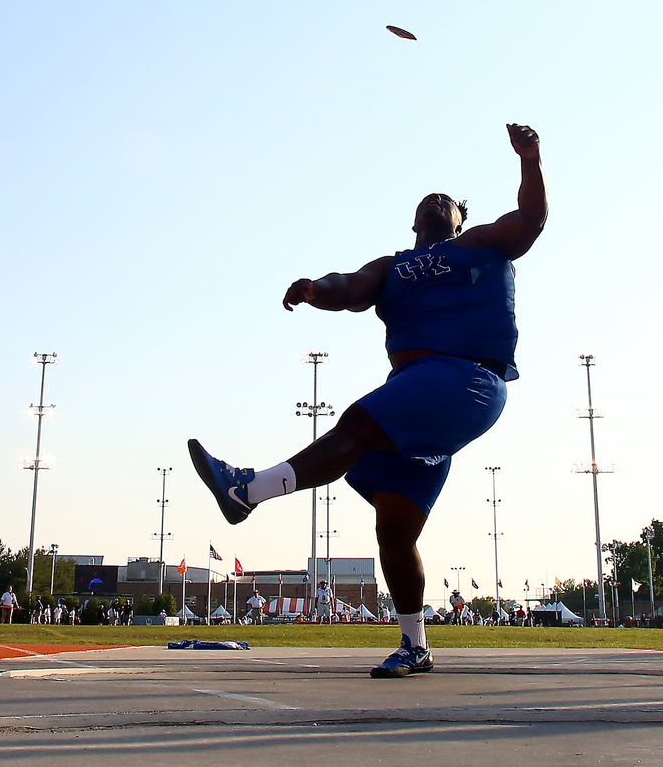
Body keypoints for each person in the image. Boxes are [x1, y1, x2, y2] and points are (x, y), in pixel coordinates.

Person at [189, 124, 545, 677]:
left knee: (354, 424)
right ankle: (415, 644)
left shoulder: (477, 245)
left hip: (465, 380)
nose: (436, 200)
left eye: (447, 201)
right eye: (427, 200)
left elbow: (530, 221)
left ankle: (245, 490)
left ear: (460, 220)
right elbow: (349, 287)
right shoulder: (393, 266)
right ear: (413, 223)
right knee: (394, 531)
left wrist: (530, 159)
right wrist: (313, 290)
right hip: (423, 395)